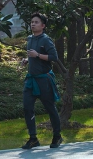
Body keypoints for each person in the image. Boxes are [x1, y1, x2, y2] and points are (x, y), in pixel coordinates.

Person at [21, 13, 63, 149]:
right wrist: (27, 60)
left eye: (36, 22)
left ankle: (57, 136)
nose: (33, 24)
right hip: (31, 80)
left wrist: (37, 55)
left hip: (44, 80)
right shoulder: (30, 39)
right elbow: (33, 55)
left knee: (50, 108)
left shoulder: (46, 40)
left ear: (43, 26)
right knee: (27, 108)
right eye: (32, 22)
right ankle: (33, 139)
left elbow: (54, 57)